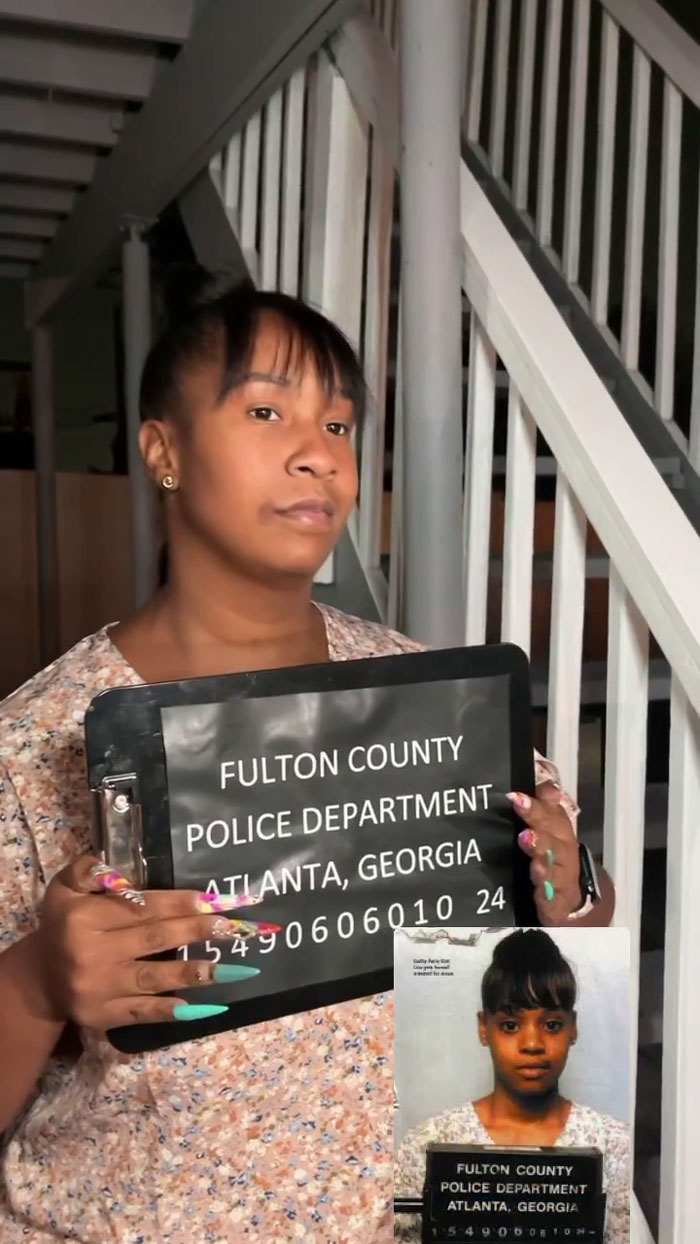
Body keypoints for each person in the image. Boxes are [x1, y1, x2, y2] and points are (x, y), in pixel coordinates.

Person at [0, 280, 614, 1243]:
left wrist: (569, 894)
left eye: (339, 423)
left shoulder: (431, 692)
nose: (317, 452)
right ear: (163, 452)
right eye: (265, 409)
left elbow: (571, 928)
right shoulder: (34, 741)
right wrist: (37, 980)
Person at [394, 929, 629, 1243]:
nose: (532, 1044)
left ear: (573, 1029)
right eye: (510, 1025)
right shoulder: (426, 1143)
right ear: (483, 1028)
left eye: (552, 1025)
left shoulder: (614, 1146)